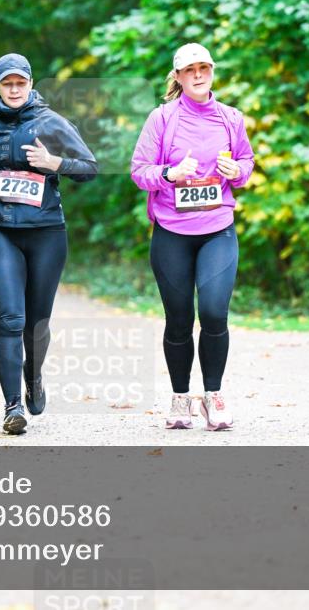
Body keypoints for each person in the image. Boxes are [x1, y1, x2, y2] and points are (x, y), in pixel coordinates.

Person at [0, 53, 98, 434]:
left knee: (36, 324)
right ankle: (13, 408)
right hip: (0, 232)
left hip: (46, 234)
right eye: (7, 84)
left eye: (20, 83)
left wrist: (55, 163)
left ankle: (33, 375)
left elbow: (89, 168)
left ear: (30, 84)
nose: (14, 90)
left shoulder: (51, 123)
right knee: (11, 319)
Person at [130, 43, 255, 431]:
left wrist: (237, 171)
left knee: (215, 312)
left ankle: (213, 396)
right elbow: (139, 171)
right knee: (179, 320)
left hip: (217, 230)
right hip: (172, 233)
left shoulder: (231, 118)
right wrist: (170, 174)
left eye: (204, 67)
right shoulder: (162, 118)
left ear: (212, 71)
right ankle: (181, 398)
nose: (198, 74)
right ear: (179, 77)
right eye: (190, 70)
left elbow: (247, 162)